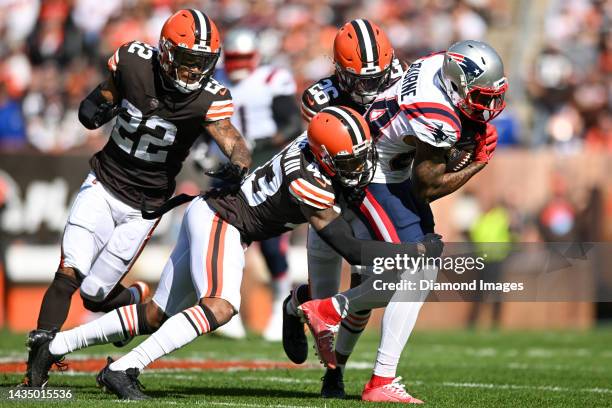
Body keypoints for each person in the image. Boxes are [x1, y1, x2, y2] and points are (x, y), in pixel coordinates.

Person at [26, 106, 442, 400]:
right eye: (346, 160)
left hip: (215, 216)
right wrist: (415, 248)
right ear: (324, 156)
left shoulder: (315, 148)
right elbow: (348, 246)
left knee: (157, 315)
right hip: (222, 221)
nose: (356, 168)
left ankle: (57, 346)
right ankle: (122, 369)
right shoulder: (310, 179)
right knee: (221, 307)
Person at [22, 9, 252, 387]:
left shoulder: (208, 99)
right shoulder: (133, 62)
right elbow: (103, 99)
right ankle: (36, 372)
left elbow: (233, 140)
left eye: (202, 63)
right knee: (69, 271)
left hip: (143, 208)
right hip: (102, 183)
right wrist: (96, 106)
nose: (195, 72)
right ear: (165, 53)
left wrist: (239, 164)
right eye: (189, 61)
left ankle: (132, 298)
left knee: (95, 296)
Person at [286, 40, 506, 403]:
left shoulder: (437, 62)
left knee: (397, 271)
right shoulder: (439, 115)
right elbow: (427, 187)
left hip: (380, 169)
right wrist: (477, 161)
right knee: (413, 269)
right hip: (376, 177)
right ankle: (372, 369)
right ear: (455, 83)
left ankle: (334, 347)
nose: (489, 106)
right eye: (481, 97)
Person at [283, 19, 406, 399]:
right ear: (339, 70)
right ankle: (297, 303)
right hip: (331, 203)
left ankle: (335, 374)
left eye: (377, 78)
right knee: (322, 307)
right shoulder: (320, 99)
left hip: (371, 200)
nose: (370, 88)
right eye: (360, 80)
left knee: (363, 297)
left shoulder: (400, 80)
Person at [214, 28, 303, 341]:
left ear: (255, 57)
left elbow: (292, 123)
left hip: (266, 165)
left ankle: (282, 299)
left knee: (269, 241)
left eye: (243, 57)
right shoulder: (216, 79)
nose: (237, 64)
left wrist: (263, 143)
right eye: (233, 58)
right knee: (225, 238)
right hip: (227, 168)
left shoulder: (271, 79)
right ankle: (226, 308)